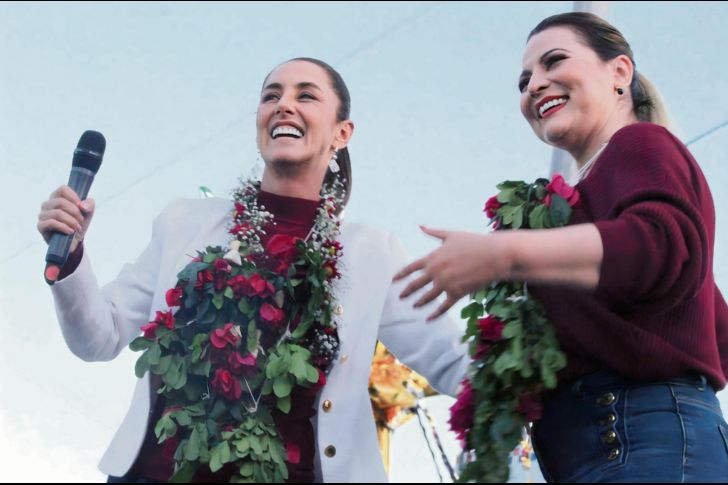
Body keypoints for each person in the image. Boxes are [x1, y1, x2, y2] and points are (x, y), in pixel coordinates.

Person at [39, 57, 468, 483]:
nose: (283, 105)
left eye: (306, 95)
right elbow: (100, 336)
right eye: (271, 96)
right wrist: (72, 254)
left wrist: (520, 260)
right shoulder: (184, 223)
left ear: (342, 132)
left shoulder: (372, 253)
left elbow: (454, 361)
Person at [395, 12, 728, 482]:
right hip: (612, 452)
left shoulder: (639, 143)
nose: (534, 85)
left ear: (619, 72)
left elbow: (659, 246)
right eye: (524, 81)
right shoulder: (591, 194)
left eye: (554, 61)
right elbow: (722, 339)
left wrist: (505, 254)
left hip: (641, 447)